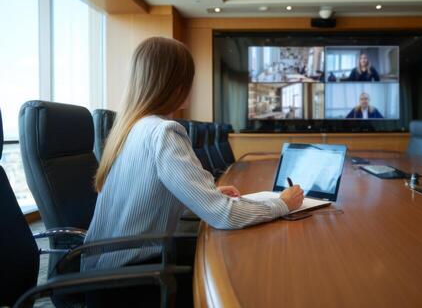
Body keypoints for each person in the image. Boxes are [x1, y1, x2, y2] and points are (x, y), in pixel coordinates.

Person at [82, 37, 304, 306]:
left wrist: (200, 194)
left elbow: (145, 197)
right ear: (175, 83)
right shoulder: (164, 131)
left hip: (101, 274)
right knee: (248, 278)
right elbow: (223, 215)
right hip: (133, 283)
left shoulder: (130, 128)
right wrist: (282, 204)